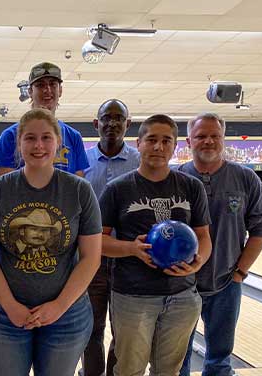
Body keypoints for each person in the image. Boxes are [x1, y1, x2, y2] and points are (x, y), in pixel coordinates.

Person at [0, 108, 103, 375]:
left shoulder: (80, 191)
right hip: (3, 314)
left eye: (46, 137)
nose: (38, 145)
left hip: (67, 314)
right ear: (19, 143)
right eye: (30, 138)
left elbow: (91, 257)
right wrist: (11, 306)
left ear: (58, 143)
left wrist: (59, 306)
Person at [98, 114, 212, 376]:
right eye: (151, 140)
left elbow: (203, 236)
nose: (158, 147)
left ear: (175, 146)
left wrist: (198, 262)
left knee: (168, 371)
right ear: (138, 143)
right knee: (129, 370)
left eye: (166, 141)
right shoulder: (118, 189)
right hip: (133, 295)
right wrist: (131, 249)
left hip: (182, 295)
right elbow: (98, 241)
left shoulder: (191, 186)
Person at [179, 113, 262, 376]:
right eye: (201, 136)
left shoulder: (245, 178)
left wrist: (240, 272)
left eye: (214, 136)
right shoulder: (177, 178)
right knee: (176, 357)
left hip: (226, 283)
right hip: (182, 285)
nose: (208, 141)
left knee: (220, 358)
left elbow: (259, 228)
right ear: (188, 141)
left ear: (223, 139)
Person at [81, 99, 140, 376]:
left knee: (123, 330)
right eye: (106, 118)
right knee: (91, 328)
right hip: (91, 259)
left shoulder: (140, 161)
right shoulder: (84, 162)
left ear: (128, 124)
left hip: (129, 260)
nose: (112, 124)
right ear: (96, 124)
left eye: (119, 118)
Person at [0, 62, 88, 177]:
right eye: (40, 85)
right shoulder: (10, 136)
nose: (47, 90)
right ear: (30, 91)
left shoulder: (73, 137)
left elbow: (79, 186)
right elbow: (5, 188)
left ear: (60, 90)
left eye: (53, 85)